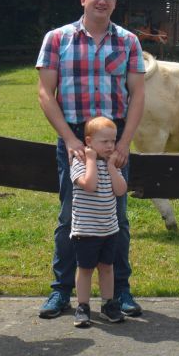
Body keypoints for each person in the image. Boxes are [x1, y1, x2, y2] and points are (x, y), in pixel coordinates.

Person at [37, 0, 146, 320]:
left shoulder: (128, 42)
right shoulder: (57, 40)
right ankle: (61, 292)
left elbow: (138, 95)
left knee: (118, 216)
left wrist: (124, 144)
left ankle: (121, 292)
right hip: (74, 138)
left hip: (113, 140)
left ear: (115, 2)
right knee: (71, 214)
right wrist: (70, 140)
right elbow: (44, 93)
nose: (103, 2)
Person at [69, 116, 127, 327]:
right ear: (89, 141)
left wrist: (112, 167)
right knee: (85, 269)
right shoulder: (80, 162)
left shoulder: (111, 164)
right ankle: (83, 306)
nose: (110, 146)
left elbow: (121, 191)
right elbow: (89, 185)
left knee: (107, 267)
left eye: (113, 141)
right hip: (86, 229)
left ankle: (108, 304)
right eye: (105, 142)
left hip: (109, 228)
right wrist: (92, 160)